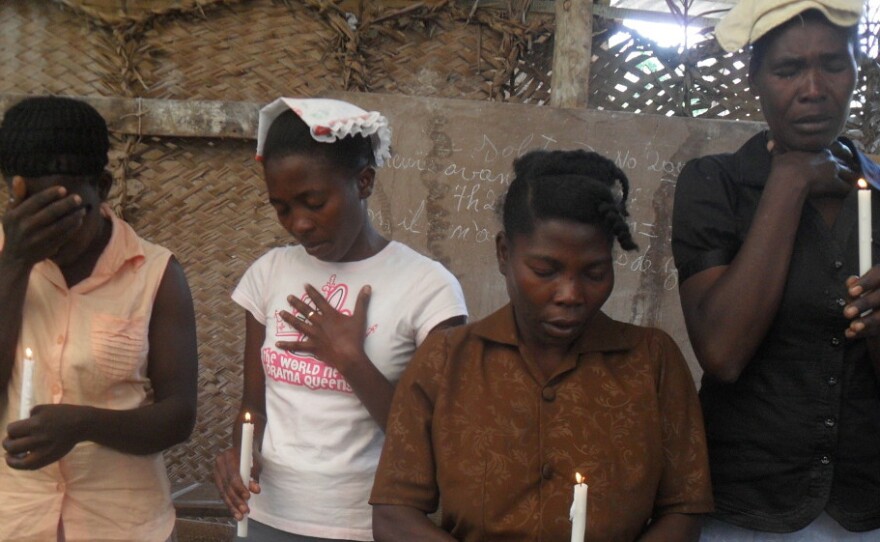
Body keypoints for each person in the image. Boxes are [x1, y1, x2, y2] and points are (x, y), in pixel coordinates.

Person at [370, 149, 714, 542]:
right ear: (504, 253)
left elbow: (684, 511)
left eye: (595, 272)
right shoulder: (446, 360)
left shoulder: (652, 361)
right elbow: (395, 517)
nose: (570, 294)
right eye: (545, 271)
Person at [212, 97, 468, 542]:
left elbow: (435, 442)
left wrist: (351, 359)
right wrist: (240, 452)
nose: (299, 224)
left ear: (363, 181)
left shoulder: (429, 290)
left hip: (366, 524)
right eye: (283, 207)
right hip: (267, 516)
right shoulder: (270, 273)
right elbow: (254, 407)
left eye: (313, 201)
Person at [671, 1, 880, 539]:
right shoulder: (715, 186)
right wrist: (789, 182)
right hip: (746, 508)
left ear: (858, 69)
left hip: (867, 509)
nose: (813, 89)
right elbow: (721, 352)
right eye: (788, 70)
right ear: (755, 80)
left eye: (833, 64)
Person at [0, 96, 198, 541]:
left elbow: (179, 416)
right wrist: (13, 264)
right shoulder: (5, 261)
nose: (51, 235)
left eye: (66, 214)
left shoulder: (155, 274)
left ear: (102, 187)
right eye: (35, 214)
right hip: (13, 521)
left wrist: (84, 424)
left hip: (122, 525)